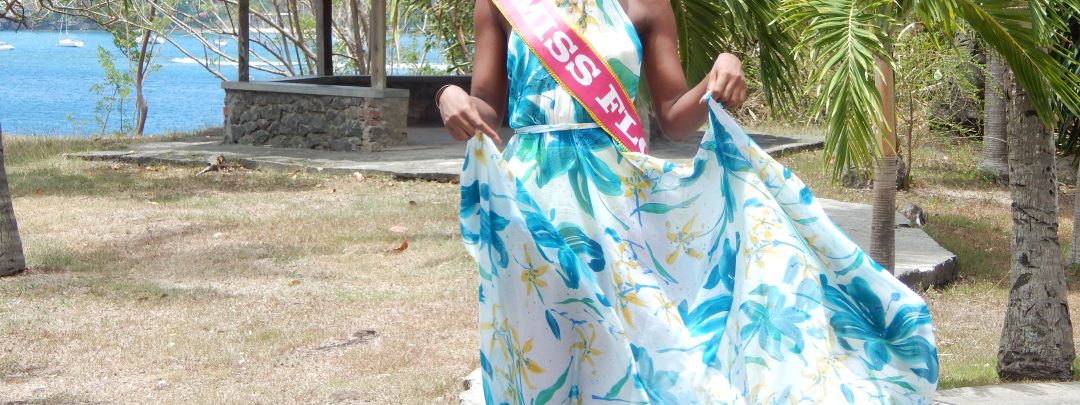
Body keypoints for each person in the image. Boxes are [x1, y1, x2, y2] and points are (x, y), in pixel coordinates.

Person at [439, 0, 938, 403]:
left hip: (616, 199)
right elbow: (488, 106)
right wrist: (449, 97)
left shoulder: (645, 5)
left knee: (616, 336)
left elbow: (674, 116)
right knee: (541, 338)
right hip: (532, 199)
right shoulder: (502, 4)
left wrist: (722, 70)